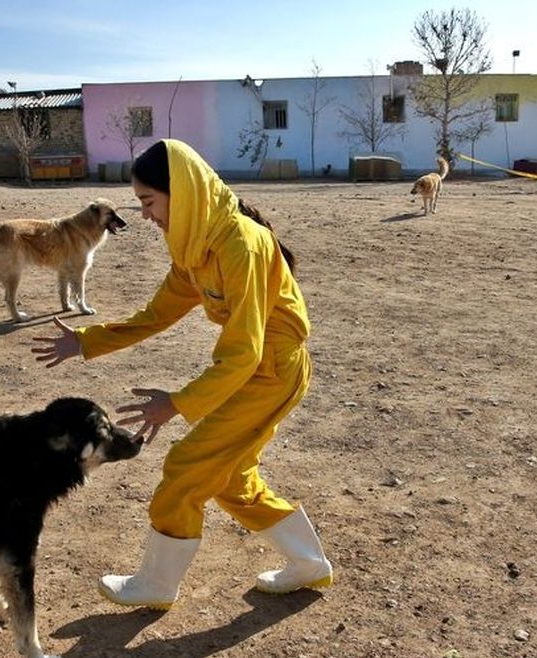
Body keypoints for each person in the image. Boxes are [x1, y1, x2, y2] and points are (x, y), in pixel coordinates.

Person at [31, 139, 332, 609]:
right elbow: (156, 315)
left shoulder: (241, 245)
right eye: (140, 204)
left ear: (184, 192)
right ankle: (309, 562)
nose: (146, 215)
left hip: (271, 371)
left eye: (149, 202)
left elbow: (245, 352)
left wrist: (177, 403)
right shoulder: (194, 246)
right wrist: (86, 341)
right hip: (255, 369)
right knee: (229, 478)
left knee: (187, 466)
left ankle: (156, 583)